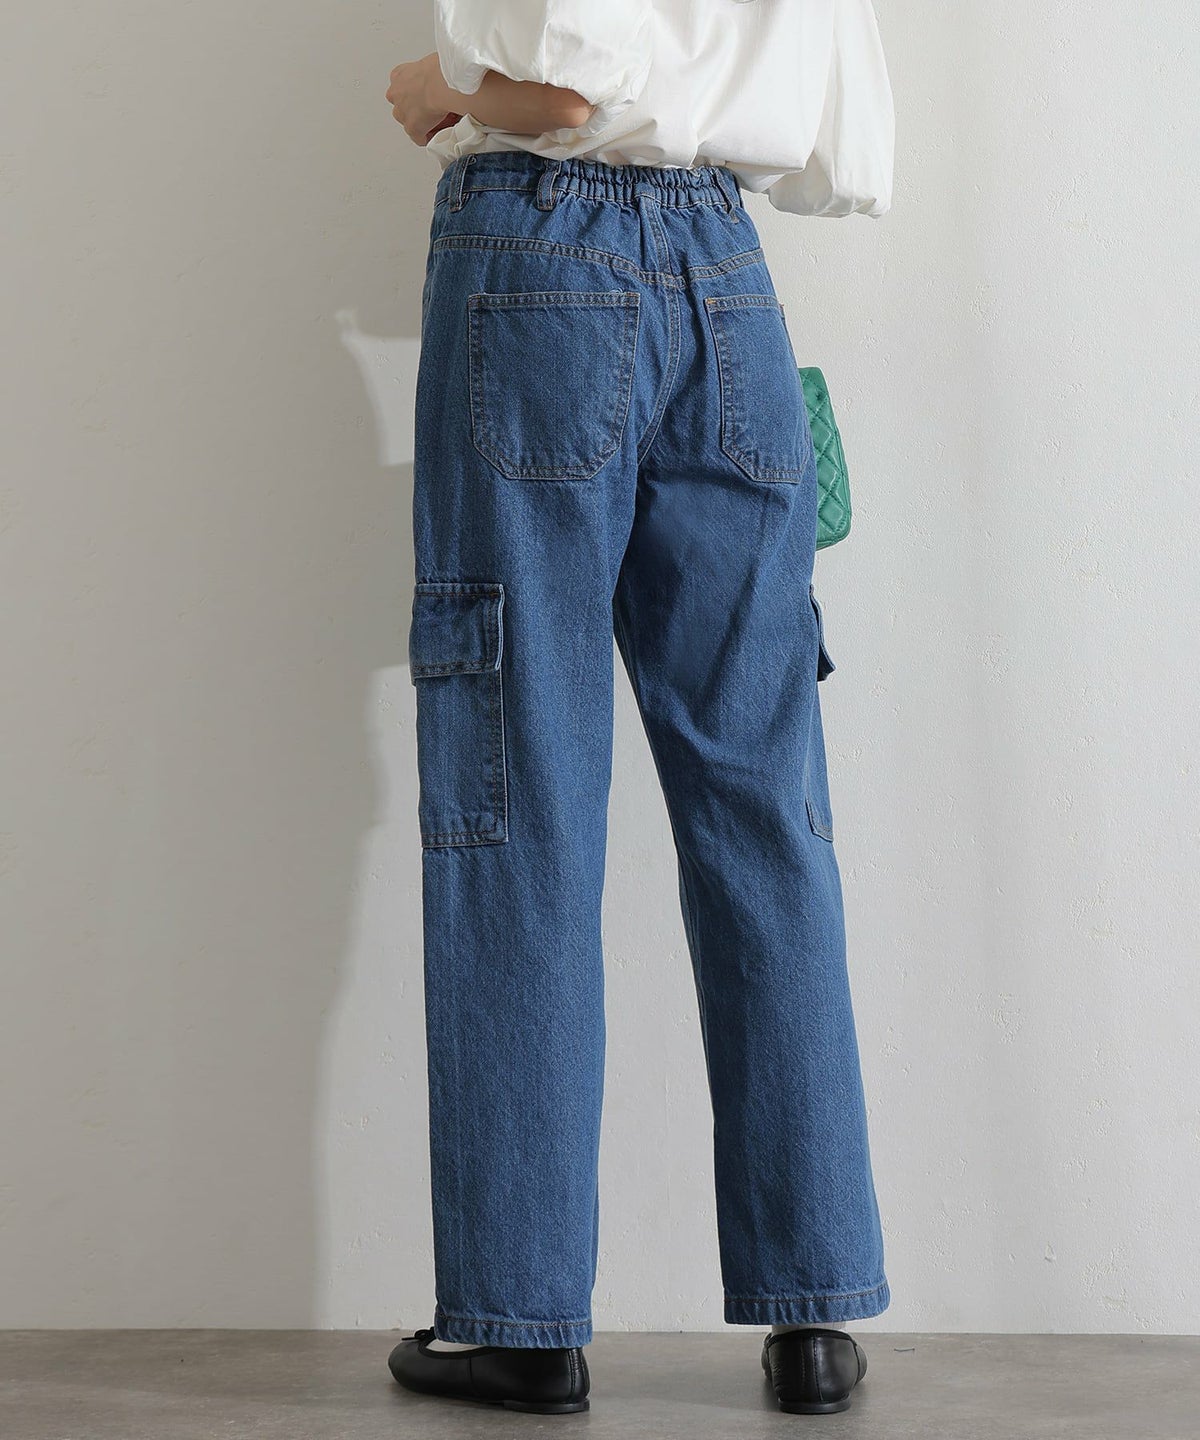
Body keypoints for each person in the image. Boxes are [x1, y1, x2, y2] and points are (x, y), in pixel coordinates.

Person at [383, 0, 895, 1417]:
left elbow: (561, 86)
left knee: (519, 792)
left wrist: (434, 84)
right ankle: (814, 1314)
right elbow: (842, 143)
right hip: (728, 279)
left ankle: (523, 1319)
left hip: (538, 262)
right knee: (765, 806)